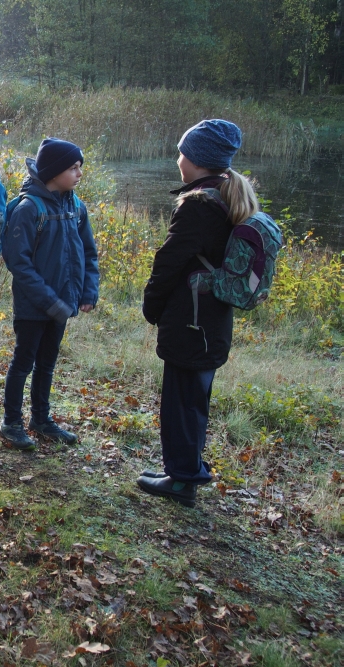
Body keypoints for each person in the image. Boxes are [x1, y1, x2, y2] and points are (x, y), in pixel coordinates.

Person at [139, 120, 252, 508]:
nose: (178, 159)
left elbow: (168, 261)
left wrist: (151, 306)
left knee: (180, 401)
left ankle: (182, 479)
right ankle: (183, 470)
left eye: (182, 152)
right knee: (194, 399)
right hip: (212, 321)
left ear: (198, 161)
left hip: (191, 320)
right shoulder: (229, 194)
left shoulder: (199, 205)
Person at [0, 138, 100, 450]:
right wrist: (49, 302)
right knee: (24, 362)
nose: (79, 173)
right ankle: (11, 422)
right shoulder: (30, 209)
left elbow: (88, 253)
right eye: (73, 168)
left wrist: (87, 291)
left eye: (79, 167)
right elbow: (19, 262)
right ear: (54, 172)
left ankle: (41, 419)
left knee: (47, 363)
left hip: (63, 303)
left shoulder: (76, 207)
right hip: (34, 306)